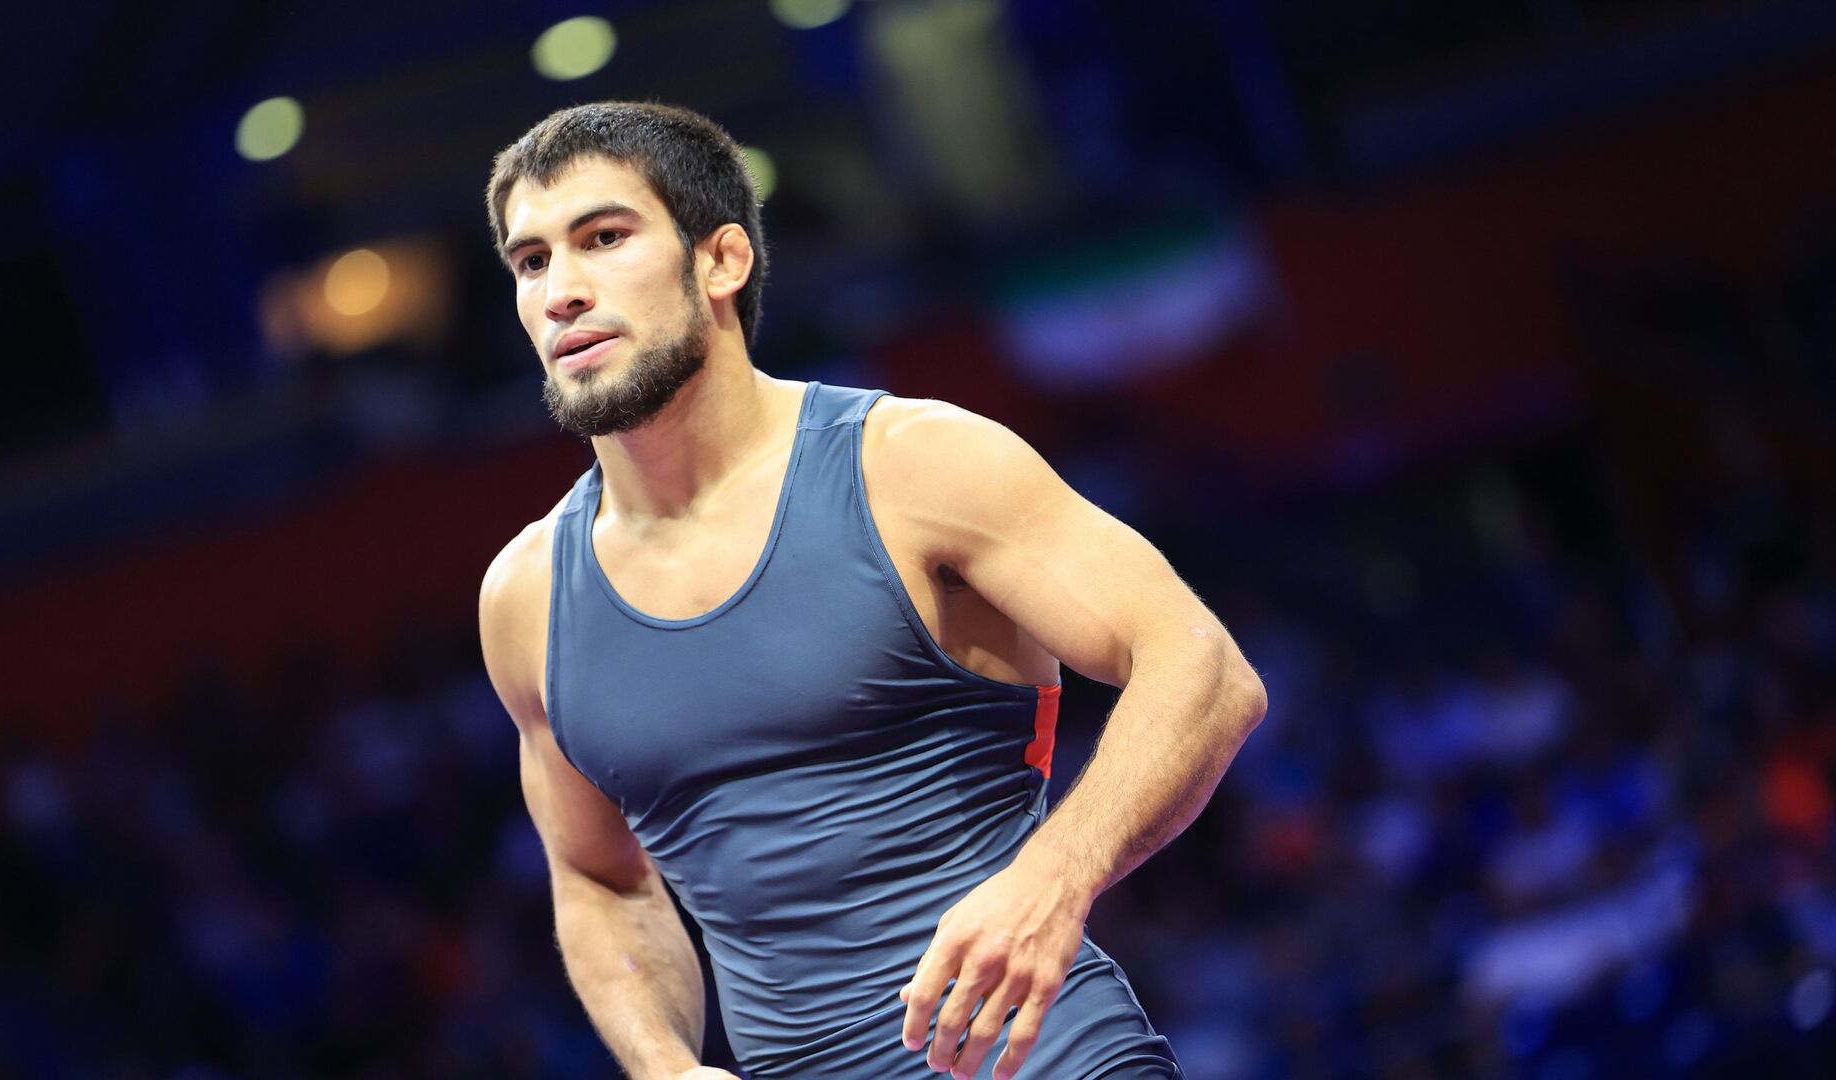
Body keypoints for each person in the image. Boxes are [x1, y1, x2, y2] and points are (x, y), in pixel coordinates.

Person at [476, 101, 1267, 1080]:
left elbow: (1203, 668)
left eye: (603, 238)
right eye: (531, 261)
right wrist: (662, 1065)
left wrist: (1052, 881)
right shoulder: (527, 597)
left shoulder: (913, 466)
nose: (560, 291)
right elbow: (598, 876)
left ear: (721, 260)